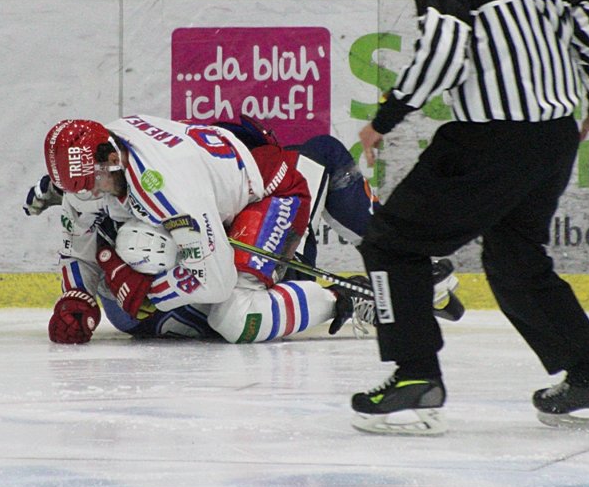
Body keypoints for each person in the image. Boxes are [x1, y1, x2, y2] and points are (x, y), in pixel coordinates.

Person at [350, 0, 589, 435]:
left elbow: (444, 50)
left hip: (486, 141)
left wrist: (385, 120)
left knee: (393, 245)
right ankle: (588, 375)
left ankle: (415, 376)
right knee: (516, 256)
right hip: (552, 138)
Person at [26, 117, 463, 343]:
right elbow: (76, 241)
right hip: (222, 212)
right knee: (141, 308)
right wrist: (77, 295)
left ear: (113, 161)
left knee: (236, 316)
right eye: (75, 188)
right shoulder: (94, 167)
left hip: (270, 193)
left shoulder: (166, 188)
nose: (89, 197)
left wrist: (150, 292)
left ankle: (344, 296)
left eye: (93, 185)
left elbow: (214, 282)